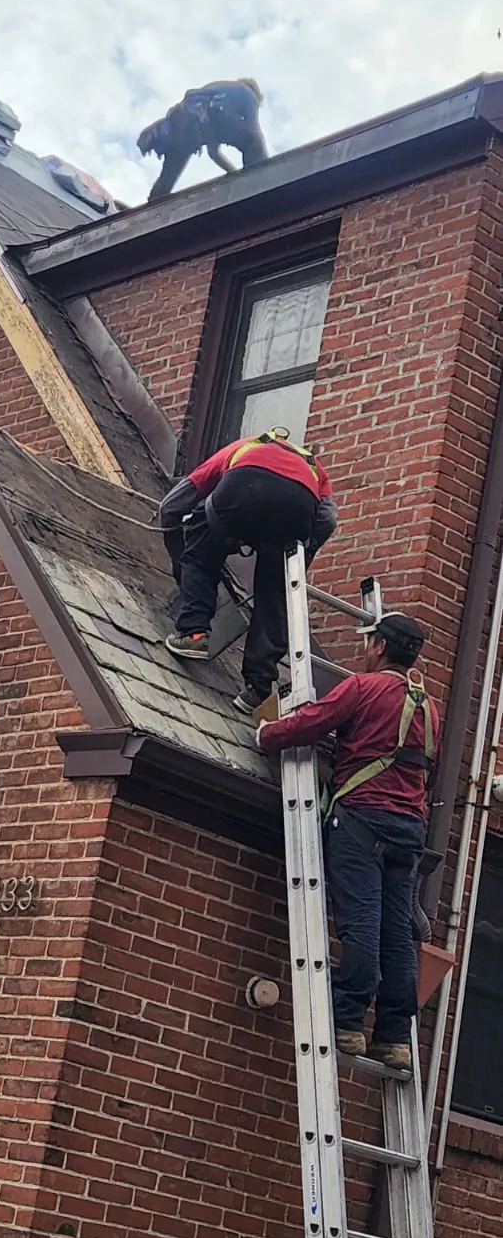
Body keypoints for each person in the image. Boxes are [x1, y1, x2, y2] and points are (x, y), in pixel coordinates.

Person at [254, 613, 440, 1072]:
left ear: (380, 646)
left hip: (362, 821)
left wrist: (266, 732)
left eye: (368, 642)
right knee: (398, 936)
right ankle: (393, 1036)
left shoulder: (363, 688)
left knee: (361, 926)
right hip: (408, 831)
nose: (364, 649)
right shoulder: (428, 708)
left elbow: (311, 722)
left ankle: (348, 1022)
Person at [161, 429, 337, 714]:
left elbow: (171, 507)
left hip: (244, 484)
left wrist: (182, 563)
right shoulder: (314, 467)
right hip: (297, 505)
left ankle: (194, 633)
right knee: (275, 593)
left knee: (200, 538)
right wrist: (297, 558)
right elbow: (327, 519)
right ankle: (258, 687)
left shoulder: (244, 447)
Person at [137, 78, 268, 202]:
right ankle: (258, 185)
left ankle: (154, 203)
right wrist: (266, 171)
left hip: (183, 120)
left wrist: (235, 175)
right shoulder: (248, 93)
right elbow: (253, 131)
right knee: (253, 143)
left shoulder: (219, 90)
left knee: (170, 174)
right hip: (212, 116)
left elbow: (214, 154)